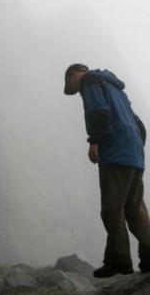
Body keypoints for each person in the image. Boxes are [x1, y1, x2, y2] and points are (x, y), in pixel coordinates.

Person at [64, 63, 150, 278]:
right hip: (134, 152)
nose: (76, 91)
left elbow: (98, 112)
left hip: (116, 153)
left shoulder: (89, 81)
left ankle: (119, 260)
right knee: (135, 208)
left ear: (75, 74)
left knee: (112, 209)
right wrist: (136, 146)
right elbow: (138, 122)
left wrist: (95, 142)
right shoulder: (115, 87)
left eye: (71, 84)